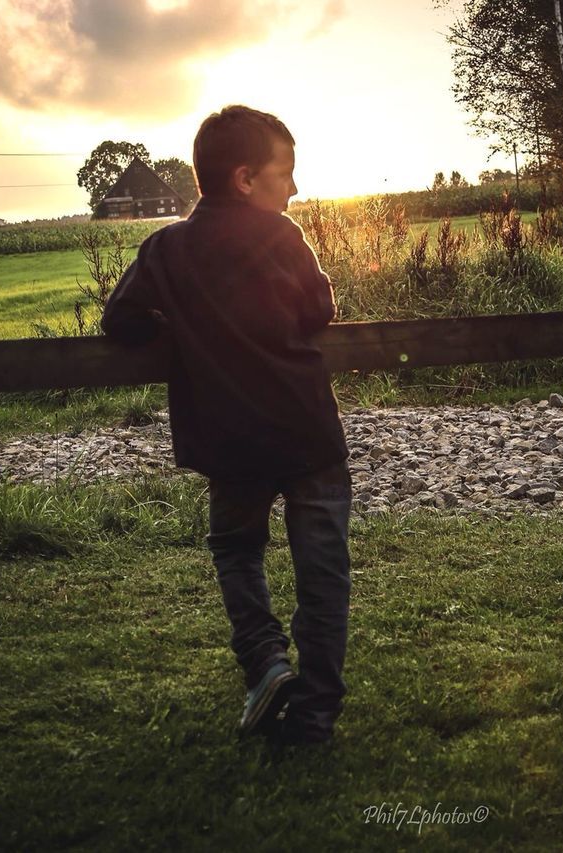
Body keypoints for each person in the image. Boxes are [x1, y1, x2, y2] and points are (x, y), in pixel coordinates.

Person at [101, 105, 351, 746]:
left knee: (238, 550)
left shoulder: (165, 247)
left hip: (228, 436)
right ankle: (316, 716)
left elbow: (120, 321)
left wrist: (173, 327)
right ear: (245, 178)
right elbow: (321, 308)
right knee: (322, 568)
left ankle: (266, 662)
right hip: (305, 431)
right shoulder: (282, 236)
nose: (292, 188)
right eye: (284, 174)